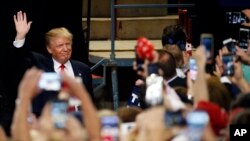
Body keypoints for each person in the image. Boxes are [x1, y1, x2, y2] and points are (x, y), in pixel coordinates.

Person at [13, 11, 93, 117]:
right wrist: (20, 37)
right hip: (48, 123)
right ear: (49, 49)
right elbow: (19, 59)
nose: (65, 49)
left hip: (77, 123)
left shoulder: (83, 69)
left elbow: (89, 102)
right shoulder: (40, 65)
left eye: (68, 44)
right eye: (60, 45)